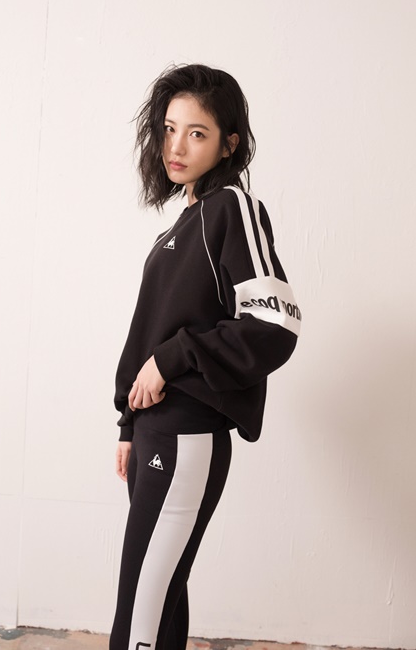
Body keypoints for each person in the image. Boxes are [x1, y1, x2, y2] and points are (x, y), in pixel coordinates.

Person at [109, 64, 301, 650]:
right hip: (155, 432)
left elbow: (275, 323)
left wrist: (171, 360)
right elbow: (150, 330)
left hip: (186, 434)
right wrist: (129, 422)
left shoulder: (231, 208)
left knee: (139, 615)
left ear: (228, 143)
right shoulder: (183, 224)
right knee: (161, 609)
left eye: (197, 133)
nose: (176, 146)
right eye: (170, 129)